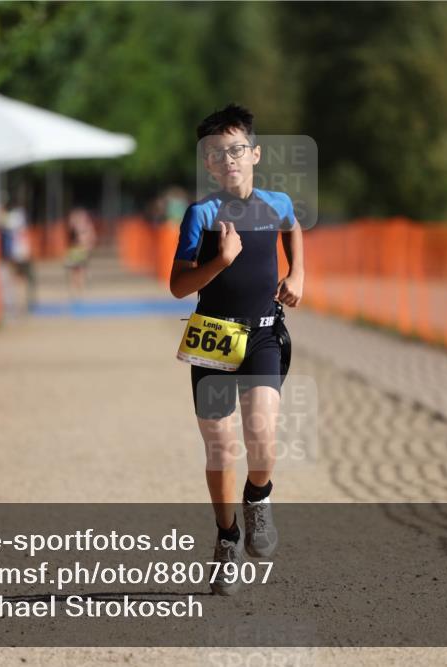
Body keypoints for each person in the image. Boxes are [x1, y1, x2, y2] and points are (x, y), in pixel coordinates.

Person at [169, 104, 305, 595]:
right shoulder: (201, 215)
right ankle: (227, 538)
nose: (228, 160)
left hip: (264, 333)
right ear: (208, 164)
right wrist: (221, 261)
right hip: (214, 337)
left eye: (237, 150)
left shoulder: (276, 203)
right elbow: (178, 286)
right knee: (222, 447)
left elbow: (292, 226)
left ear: (255, 154)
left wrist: (298, 273)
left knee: (263, 436)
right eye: (217, 154)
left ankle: (258, 498)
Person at [65, 207, 96, 299]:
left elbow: (92, 237)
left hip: (82, 249)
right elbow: (70, 236)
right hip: (75, 249)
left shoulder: (87, 226)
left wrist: (89, 246)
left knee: (81, 269)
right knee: (74, 270)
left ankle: (80, 289)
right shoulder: (74, 225)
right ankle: (75, 289)